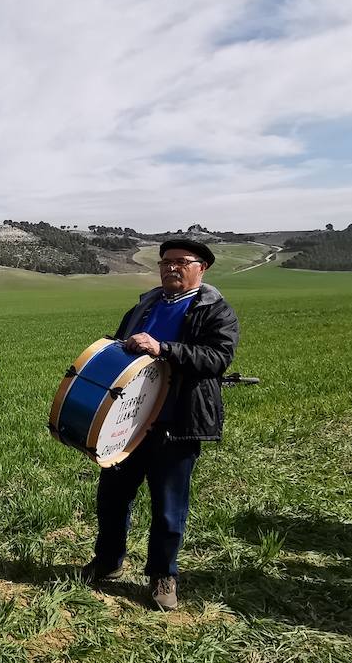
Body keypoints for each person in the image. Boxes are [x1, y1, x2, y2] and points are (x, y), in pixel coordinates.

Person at [80, 238, 240, 611]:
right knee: (112, 498)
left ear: (202, 267)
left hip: (176, 423)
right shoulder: (145, 304)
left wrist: (163, 348)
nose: (170, 268)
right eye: (165, 262)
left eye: (181, 262)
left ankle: (163, 576)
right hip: (130, 424)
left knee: (169, 507)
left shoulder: (215, 310)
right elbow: (124, 347)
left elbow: (217, 358)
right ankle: (108, 561)